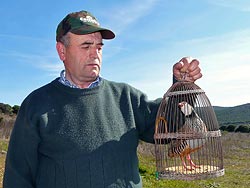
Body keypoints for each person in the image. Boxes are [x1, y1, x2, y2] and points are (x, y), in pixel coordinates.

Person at [3, 10, 202, 188]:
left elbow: (168, 126)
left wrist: (182, 86)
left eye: (99, 47)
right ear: (61, 51)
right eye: (86, 46)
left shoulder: (126, 97)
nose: (95, 54)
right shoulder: (36, 104)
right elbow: (18, 176)